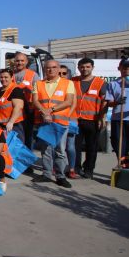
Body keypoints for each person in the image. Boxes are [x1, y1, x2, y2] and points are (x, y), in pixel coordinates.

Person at [32, 59, 75, 188]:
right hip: (44, 121)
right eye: (48, 68)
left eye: (54, 67)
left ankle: (60, 176)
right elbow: (35, 101)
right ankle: (46, 174)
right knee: (45, 149)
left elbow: (68, 102)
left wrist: (50, 110)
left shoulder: (68, 83)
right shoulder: (38, 83)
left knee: (60, 150)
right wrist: (44, 112)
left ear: (58, 68)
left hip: (60, 122)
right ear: (45, 69)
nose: (51, 70)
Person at [73, 58, 108, 179]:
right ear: (78, 68)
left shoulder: (100, 82)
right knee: (75, 147)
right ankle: (76, 168)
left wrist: (101, 118)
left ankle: (89, 169)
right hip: (76, 120)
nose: (85, 69)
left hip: (93, 120)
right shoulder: (73, 81)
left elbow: (104, 102)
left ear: (92, 67)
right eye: (82, 67)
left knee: (91, 147)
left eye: (87, 67)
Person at [105, 59, 129, 168]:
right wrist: (117, 102)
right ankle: (122, 164)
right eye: (124, 67)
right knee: (118, 144)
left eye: (128, 68)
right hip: (118, 119)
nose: (126, 70)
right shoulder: (113, 84)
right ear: (119, 68)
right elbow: (109, 103)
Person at [14, 52, 40, 148]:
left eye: (22, 61)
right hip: (16, 109)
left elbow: (39, 91)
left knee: (29, 135)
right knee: (18, 134)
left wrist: (27, 87)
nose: (19, 63)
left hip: (29, 109)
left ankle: (28, 157)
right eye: (17, 61)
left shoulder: (33, 75)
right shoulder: (11, 74)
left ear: (26, 62)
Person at [0, 68, 25, 140]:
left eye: (6, 77)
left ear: (12, 77)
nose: (3, 79)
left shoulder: (16, 89)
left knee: (15, 148)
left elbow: (18, 107)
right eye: (1, 77)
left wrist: (11, 122)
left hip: (13, 125)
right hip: (0, 125)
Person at [60, 65, 79, 179]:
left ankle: (71, 169)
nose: (61, 75)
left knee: (70, 146)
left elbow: (73, 102)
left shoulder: (70, 85)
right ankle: (57, 167)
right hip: (57, 119)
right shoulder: (55, 86)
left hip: (70, 119)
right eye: (60, 73)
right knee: (57, 146)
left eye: (64, 73)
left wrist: (67, 115)